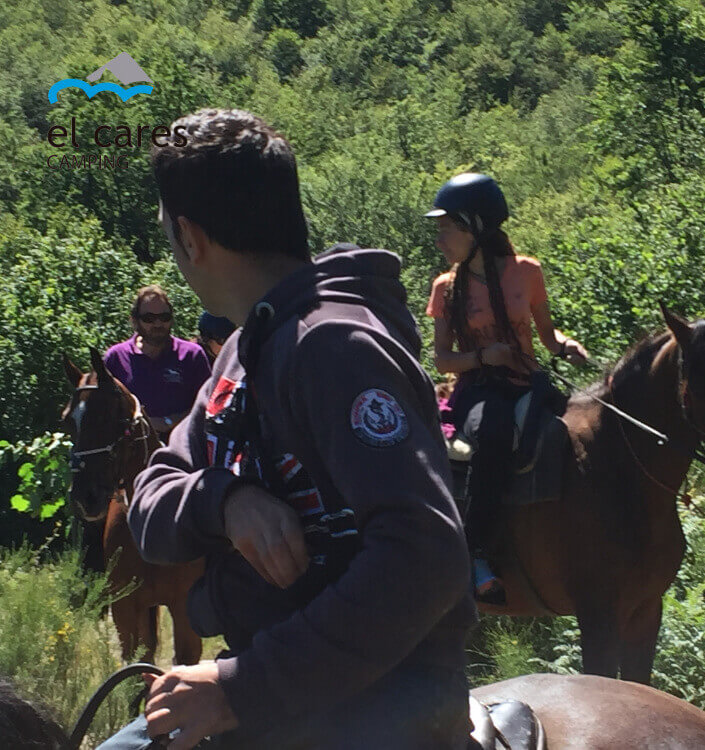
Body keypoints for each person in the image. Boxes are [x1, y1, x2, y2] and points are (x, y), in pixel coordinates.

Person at [99, 109, 475, 749]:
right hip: (283, 696)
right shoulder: (241, 352)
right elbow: (155, 495)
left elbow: (425, 555)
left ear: (189, 238)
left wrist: (241, 688)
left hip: (380, 706)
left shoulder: (335, 347)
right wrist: (225, 499)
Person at [425, 172, 587, 604]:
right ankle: (475, 552)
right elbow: (442, 360)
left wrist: (569, 348)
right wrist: (484, 357)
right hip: (478, 388)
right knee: (494, 433)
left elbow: (548, 339)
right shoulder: (445, 288)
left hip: (526, 381)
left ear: (475, 227)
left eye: (446, 229)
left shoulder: (527, 272)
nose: (440, 239)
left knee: (577, 430)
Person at [104, 286, 211, 440]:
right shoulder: (116, 358)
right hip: (130, 453)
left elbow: (208, 405)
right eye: (149, 318)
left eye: (164, 317)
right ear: (134, 321)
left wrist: (167, 422)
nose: (158, 324)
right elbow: (102, 411)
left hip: (181, 450)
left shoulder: (191, 355)